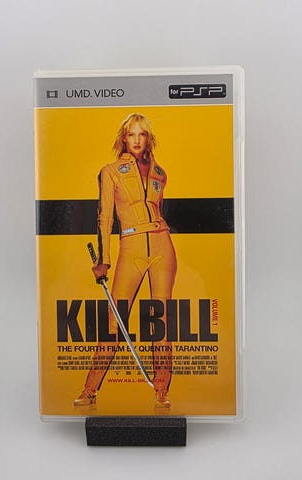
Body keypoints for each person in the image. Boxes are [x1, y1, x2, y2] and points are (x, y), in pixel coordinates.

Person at [74, 113, 177, 408]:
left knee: (162, 321)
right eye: (132, 134)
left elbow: (159, 210)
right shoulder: (110, 172)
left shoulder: (160, 173)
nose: (137, 140)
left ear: (148, 138)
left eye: (142, 134)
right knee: (114, 322)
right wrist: (103, 259)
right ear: (124, 137)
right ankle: (90, 389)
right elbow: (105, 217)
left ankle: (161, 388)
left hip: (162, 245)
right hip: (130, 248)